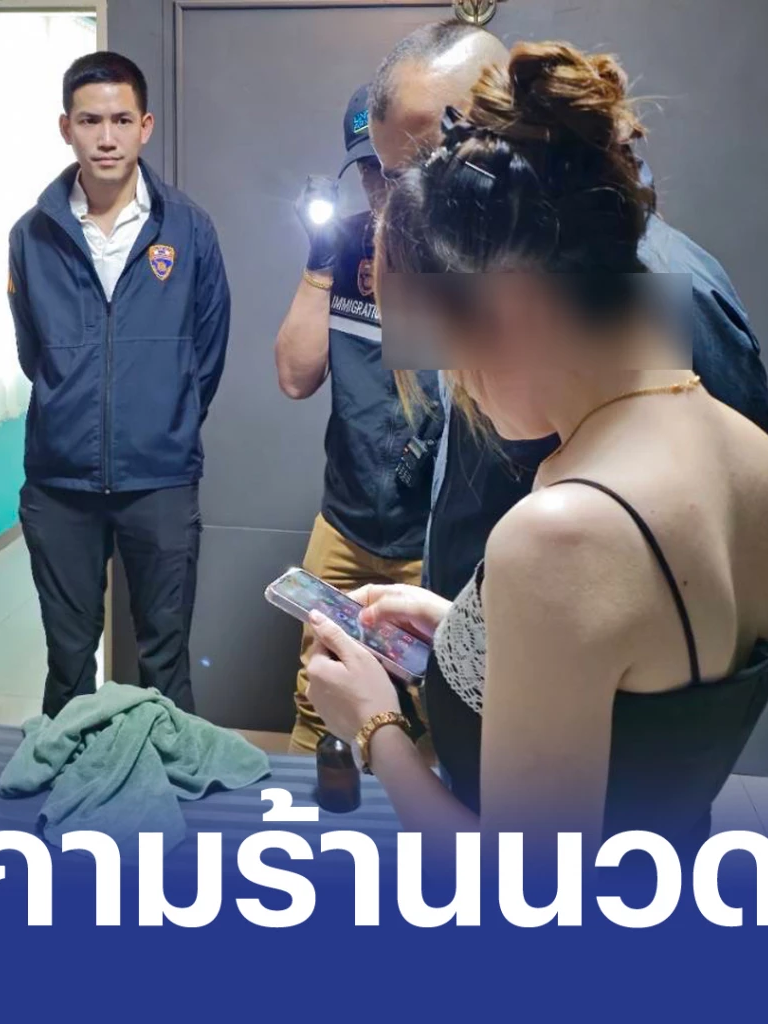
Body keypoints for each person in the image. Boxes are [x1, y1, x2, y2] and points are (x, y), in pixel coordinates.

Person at [304, 43, 768, 850]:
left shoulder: (561, 532)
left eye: (455, 358)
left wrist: (374, 726)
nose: (464, 394)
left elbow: (525, 891)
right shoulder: (754, 459)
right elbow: (652, 676)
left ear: (512, 309)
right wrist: (468, 632)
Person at [365, 19, 768, 602]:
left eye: (434, 159)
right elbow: (464, 467)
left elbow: (755, 541)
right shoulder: (458, 270)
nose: (408, 204)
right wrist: (459, 629)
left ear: (500, 122)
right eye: (390, 177)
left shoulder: (667, 291)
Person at [7, 53, 232, 718]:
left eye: (121, 120)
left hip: (159, 480)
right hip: (60, 483)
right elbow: (32, 349)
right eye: (89, 121)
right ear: (66, 128)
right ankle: (70, 772)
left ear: (145, 126)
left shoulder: (189, 229)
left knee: (165, 658)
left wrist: (163, 420)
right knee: (68, 659)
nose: (106, 137)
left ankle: (167, 773)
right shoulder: (31, 235)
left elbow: (209, 350)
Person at [274, 85, 442, 754]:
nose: (381, 186)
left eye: (393, 170)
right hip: (343, 522)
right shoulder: (344, 247)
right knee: (318, 689)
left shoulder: (465, 258)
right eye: (367, 169)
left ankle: (414, 815)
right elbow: (295, 377)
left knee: (431, 706)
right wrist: (320, 265)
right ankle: (306, 814)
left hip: (430, 537)